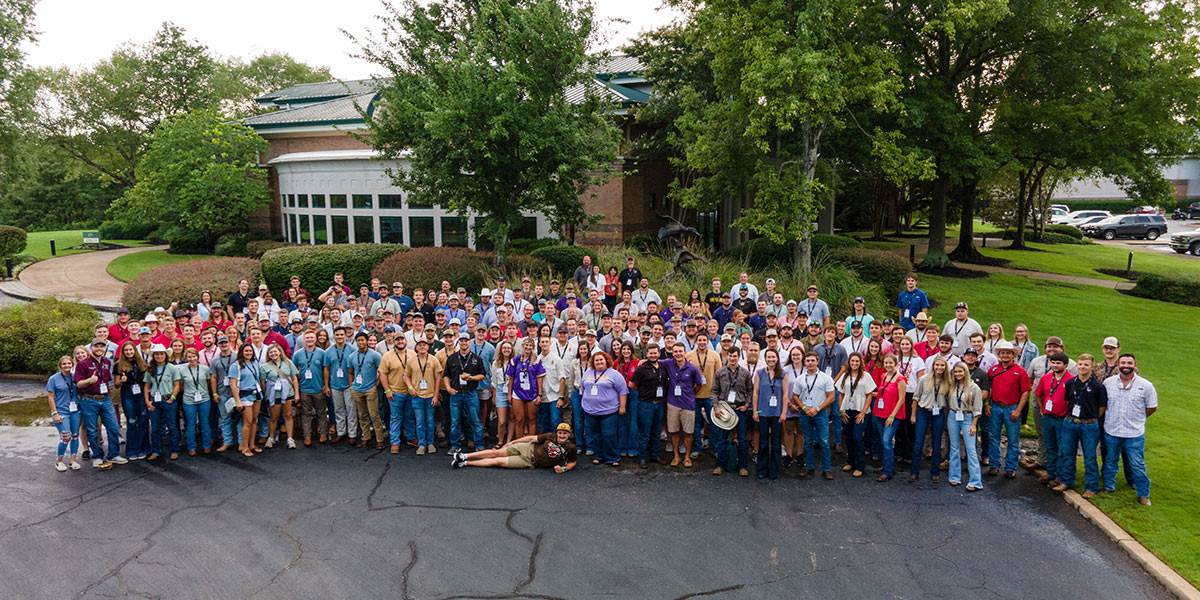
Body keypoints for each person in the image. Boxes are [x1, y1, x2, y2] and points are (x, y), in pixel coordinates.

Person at [1101, 353, 1156, 506]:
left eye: (1129, 363)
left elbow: (1151, 407)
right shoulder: (1108, 383)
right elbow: (1104, 404)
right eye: (1123, 362)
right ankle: (1108, 487)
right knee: (1110, 461)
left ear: (1135, 365)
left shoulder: (1146, 386)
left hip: (1134, 434)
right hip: (1112, 430)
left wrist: (1138, 418)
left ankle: (1143, 494)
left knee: (1137, 465)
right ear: (1118, 364)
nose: (1126, 365)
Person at [1057, 353, 1106, 497]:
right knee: (1067, 452)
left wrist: (1092, 418)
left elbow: (1102, 407)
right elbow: (1067, 400)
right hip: (1070, 422)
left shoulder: (1098, 386)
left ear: (1092, 367)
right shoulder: (1070, 383)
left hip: (1089, 425)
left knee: (1090, 456)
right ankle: (1067, 481)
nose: (1082, 367)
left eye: (1086, 365)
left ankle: (1091, 486)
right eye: (1080, 364)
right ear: (1077, 365)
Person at [75, 338, 125, 469]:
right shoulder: (83, 364)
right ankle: (97, 456)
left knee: (113, 427)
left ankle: (113, 455)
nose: (99, 349)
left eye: (102, 346)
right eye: (96, 346)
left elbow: (108, 380)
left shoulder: (107, 362)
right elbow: (78, 383)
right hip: (88, 400)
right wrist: (89, 381)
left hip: (105, 399)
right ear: (91, 347)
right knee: (92, 430)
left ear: (105, 348)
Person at [452, 422, 577, 473]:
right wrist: (512, 442)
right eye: (560, 432)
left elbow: (572, 462)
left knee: (498, 462)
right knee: (496, 453)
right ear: (557, 432)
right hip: (527, 448)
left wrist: (563, 468)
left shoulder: (570, 447)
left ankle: (466, 463)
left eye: (564, 433)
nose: (561, 435)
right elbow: (530, 438)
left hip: (529, 461)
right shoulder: (550, 436)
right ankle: (464, 455)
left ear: (569, 434)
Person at [986, 341, 1031, 478]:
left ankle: (1011, 467)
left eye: (1008, 353)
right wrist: (987, 404)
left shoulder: (1021, 371)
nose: (1005, 355)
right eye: (1002, 353)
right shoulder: (993, 370)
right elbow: (989, 389)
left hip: (1011, 407)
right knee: (993, 437)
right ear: (999, 354)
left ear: (1013, 355)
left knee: (1013, 439)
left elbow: (1025, 392)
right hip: (995, 406)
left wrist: (1018, 410)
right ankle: (994, 465)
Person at [791, 351, 837, 479]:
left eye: (812, 360)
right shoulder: (800, 379)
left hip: (820, 413)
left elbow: (831, 396)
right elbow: (795, 395)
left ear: (817, 361)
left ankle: (826, 469)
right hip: (805, 412)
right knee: (808, 441)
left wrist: (817, 408)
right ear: (804, 363)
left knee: (824, 441)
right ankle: (809, 467)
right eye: (807, 361)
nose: (810, 363)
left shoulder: (826, 378)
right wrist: (804, 407)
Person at [580, 352, 629, 467]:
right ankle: (598, 455)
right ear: (593, 362)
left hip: (609, 411)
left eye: (601, 360)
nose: (599, 362)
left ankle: (612, 457)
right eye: (596, 360)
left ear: (607, 361)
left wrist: (622, 407)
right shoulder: (588, 372)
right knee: (595, 435)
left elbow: (623, 391)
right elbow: (583, 388)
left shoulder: (614, 374)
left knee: (609, 434)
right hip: (590, 411)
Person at [711, 347, 754, 476]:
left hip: (740, 408)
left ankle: (743, 466)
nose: (732, 358)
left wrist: (747, 405)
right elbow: (714, 392)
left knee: (742, 438)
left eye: (735, 356)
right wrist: (716, 407)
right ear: (727, 356)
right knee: (722, 439)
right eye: (730, 356)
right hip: (724, 409)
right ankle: (720, 465)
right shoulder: (720, 372)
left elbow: (750, 390)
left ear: (739, 357)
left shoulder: (745, 373)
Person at [1033, 352, 1073, 488]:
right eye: (1053, 362)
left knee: (1063, 448)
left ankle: (1060, 476)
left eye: (1058, 363)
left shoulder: (1071, 380)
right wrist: (1042, 408)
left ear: (1065, 365)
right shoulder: (1046, 378)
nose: (1055, 365)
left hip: (1062, 419)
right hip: (1048, 417)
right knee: (1050, 446)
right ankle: (1051, 473)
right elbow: (1038, 394)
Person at [442, 333, 486, 454]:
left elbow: (482, 375)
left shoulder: (476, 359)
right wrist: (448, 388)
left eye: (466, 340)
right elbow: (446, 375)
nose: (464, 343)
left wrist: (471, 378)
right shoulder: (452, 358)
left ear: (469, 342)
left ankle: (479, 444)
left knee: (475, 420)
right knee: (455, 421)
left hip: (471, 393)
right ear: (458, 342)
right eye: (461, 340)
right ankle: (455, 445)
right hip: (456, 394)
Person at [909, 356, 951, 482]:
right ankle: (914, 472)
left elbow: (949, 400)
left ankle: (935, 472)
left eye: (942, 365)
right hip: (923, 411)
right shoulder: (923, 379)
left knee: (936, 443)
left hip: (938, 413)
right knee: (919, 441)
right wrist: (913, 415)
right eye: (937, 365)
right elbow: (916, 398)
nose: (939, 367)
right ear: (933, 366)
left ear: (945, 367)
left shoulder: (948, 382)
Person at [662, 342, 703, 468]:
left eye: (680, 351)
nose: (678, 354)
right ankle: (676, 456)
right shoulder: (668, 363)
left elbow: (699, 384)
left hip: (688, 404)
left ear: (684, 352)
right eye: (675, 352)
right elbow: (653, 359)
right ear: (672, 353)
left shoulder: (692, 368)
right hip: (673, 403)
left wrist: (690, 393)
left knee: (688, 432)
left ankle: (687, 457)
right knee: (673, 431)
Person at [836, 353, 876, 478]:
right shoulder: (845, 376)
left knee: (857, 437)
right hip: (847, 410)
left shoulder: (866, 376)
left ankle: (860, 466)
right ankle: (850, 462)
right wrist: (841, 410)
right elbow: (841, 394)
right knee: (848, 437)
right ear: (849, 362)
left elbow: (870, 395)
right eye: (852, 361)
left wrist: (863, 412)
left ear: (860, 363)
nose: (854, 363)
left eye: (857, 361)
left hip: (861, 411)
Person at [947, 362, 984, 491]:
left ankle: (975, 481)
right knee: (954, 447)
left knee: (971, 449)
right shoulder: (952, 385)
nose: (958, 374)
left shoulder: (974, 388)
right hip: (953, 416)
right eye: (956, 372)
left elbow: (978, 408)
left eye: (960, 371)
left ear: (966, 372)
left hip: (968, 417)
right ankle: (954, 476)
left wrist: (974, 424)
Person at [630, 345, 667, 468]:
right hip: (646, 404)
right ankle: (642, 457)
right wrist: (644, 392)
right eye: (650, 353)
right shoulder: (641, 368)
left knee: (656, 431)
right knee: (644, 432)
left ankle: (655, 455)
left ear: (658, 354)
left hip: (659, 404)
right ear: (647, 354)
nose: (653, 355)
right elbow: (632, 384)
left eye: (655, 353)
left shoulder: (663, 367)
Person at [142, 343, 180, 461]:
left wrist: (172, 398)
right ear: (154, 356)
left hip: (168, 399)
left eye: (161, 354)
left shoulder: (172, 367)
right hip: (154, 401)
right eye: (157, 354)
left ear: (165, 355)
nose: (159, 356)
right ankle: (156, 450)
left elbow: (177, 384)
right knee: (155, 427)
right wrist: (147, 401)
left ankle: (174, 450)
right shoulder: (150, 369)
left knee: (172, 426)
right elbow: (146, 386)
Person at [752, 348, 785, 481]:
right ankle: (762, 469)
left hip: (777, 413)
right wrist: (755, 410)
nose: (771, 359)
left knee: (776, 443)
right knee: (763, 442)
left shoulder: (783, 374)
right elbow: (755, 393)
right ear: (765, 358)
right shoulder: (760, 373)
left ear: (777, 358)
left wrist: (783, 412)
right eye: (768, 357)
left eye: (773, 357)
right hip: (763, 412)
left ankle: (775, 470)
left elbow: (785, 395)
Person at [873, 355, 907, 482]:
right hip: (880, 412)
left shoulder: (900, 379)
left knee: (887, 441)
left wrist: (892, 415)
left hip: (892, 415)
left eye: (890, 363)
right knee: (884, 441)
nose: (888, 365)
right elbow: (883, 392)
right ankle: (887, 465)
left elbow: (901, 399)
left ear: (896, 364)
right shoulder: (883, 376)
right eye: (886, 363)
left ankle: (887, 471)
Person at [405, 339, 443, 455]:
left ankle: (430, 443)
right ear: (416, 348)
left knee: (430, 421)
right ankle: (422, 444)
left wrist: (436, 396)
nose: (422, 347)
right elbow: (405, 376)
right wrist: (410, 387)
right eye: (420, 345)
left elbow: (438, 379)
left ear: (428, 347)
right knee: (420, 421)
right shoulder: (411, 361)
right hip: (417, 396)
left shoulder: (434, 360)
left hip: (430, 396)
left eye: (424, 345)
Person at [292, 331, 329, 446]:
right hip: (304, 389)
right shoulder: (297, 354)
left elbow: (326, 370)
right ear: (303, 339)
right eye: (307, 337)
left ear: (315, 339)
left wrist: (325, 385)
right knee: (306, 414)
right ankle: (307, 436)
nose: (309, 340)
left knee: (321, 412)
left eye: (311, 337)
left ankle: (323, 433)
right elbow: (294, 372)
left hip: (318, 388)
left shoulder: (322, 353)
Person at [112, 340, 148, 461]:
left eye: (131, 350)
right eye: (126, 350)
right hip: (128, 394)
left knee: (143, 421)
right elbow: (116, 385)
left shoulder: (141, 363)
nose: (129, 352)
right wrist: (121, 380)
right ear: (123, 352)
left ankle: (144, 448)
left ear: (135, 351)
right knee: (132, 421)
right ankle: (132, 450)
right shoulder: (118, 365)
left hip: (141, 394)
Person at [348, 332, 384, 450]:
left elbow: (381, 370)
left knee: (374, 415)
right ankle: (366, 437)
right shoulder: (352, 356)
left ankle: (379, 439)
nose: (361, 342)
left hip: (370, 389)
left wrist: (376, 384)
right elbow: (350, 372)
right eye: (358, 340)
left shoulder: (375, 355)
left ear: (367, 341)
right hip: (357, 389)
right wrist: (351, 386)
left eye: (363, 340)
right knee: (362, 415)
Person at [177, 347, 216, 456]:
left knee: (205, 422)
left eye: (194, 356)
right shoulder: (182, 370)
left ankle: (206, 445)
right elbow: (180, 386)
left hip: (204, 399)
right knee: (191, 424)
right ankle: (192, 447)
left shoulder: (205, 369)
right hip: (189, 400)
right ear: (186, 358)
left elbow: (209, 383)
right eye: (189, 357)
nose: (192, 358)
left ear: (197, 357)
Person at [47, 355, 83, 472]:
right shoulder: (53, 379)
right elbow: (51, 397)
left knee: (75, 436)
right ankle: (59, 461)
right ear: (60, 366)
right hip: (61, 411)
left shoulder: (75, 377)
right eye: (64, 364)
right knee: (65, 437)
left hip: (75, 411)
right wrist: (55, 413)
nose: (67, 366)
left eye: (69, 363)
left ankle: (73, 460)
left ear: (72, 364)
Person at [261, 343, 300, 450]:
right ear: (268, 354)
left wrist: (296, 393)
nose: (273, 353)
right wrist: (266, 395)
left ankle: (290, 438)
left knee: (288, 415)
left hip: (288, 393)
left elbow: (294, 378)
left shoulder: (288, 362)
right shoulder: (264, 366)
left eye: (275, 351)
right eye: (271, 352)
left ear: (279, 352)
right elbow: (263, 383)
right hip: (274, 394)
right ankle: (271, 437)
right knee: (274, 417)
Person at [323, 327, 357, 445]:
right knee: (338, 410)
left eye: (342, 335)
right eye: (337, 335)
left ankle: (352, 434)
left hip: (349, 385)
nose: (340, 337)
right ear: (334, 336)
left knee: (351, 409)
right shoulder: (328, 351)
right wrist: (326, 386)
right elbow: (326, 369)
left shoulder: (352, 349)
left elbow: (355, 367)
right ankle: (341, 432)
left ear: (345, 336)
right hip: (335, 385)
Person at [228, 343, 263, 457]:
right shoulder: (236, 365)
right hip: (244, 395)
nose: (249, 353)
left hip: (256, 395)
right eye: (246, 351)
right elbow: (233, 384)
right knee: (247, 422)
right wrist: (238, 401)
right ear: (242, 352)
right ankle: (244, 446)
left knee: (254, 420)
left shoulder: (255, 363)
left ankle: (252, 444)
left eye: (250, 351)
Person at [506, 339, 545, 439]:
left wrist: (539, 394)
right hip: (518, 392)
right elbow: (510, 378)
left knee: (532, 419)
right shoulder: (515, 360)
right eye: (526, 345)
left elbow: (539, 378)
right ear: (522, 346)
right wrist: (509, 394)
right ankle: (519, 442)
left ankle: (530, 443)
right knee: (519, 419)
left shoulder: (536, 361)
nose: (528, 347)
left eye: (530, 346)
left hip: (532, 393)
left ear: (533, 347)